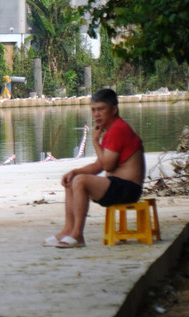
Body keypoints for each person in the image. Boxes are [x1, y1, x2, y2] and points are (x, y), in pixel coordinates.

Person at [48, 88, 145, 248]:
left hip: (128, 189)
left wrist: (95, 142)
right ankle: (67, 230)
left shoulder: (118, 129)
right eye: (93, 110)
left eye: (101, 109)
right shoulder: (110, 131)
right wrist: (74, 172)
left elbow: (107, 165)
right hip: (116, 185)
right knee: (72, 179)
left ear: (114, 109)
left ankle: (78, 235)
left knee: (80, 181)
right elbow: (99, 166)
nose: (96, 114)